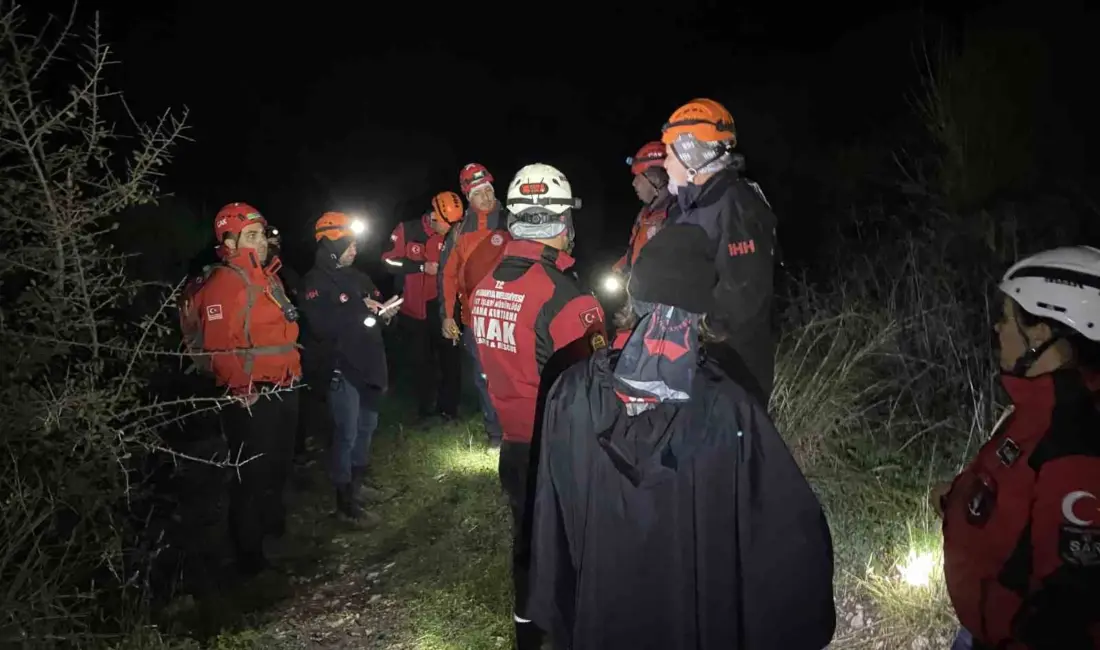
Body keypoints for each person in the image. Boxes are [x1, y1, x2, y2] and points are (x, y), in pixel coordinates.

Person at [525, 222, 836, 650]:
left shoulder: (570, 392)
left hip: (601, 619)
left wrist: (557, 612)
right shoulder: (728, 408)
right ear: (705, 310)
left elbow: (550, 522)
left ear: (634, 297)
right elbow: (788, 538)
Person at [934, 246, 1100, 650]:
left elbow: (1067, 619)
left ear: (1040, 333)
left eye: (1007, 317)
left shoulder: (1074, 446)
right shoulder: (1039, 407)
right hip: (982, 628)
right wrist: (957, 499)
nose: (997, 328)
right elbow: (1014, 499)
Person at [471, 163, 607, 649]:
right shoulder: (566, 297)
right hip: (560, 448)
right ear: (561, 223)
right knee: (574, 549)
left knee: (528, 545)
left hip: (513, 444)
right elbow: (596, 384)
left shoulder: (487, 287)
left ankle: (526, 635)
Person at [188, 201, 302, 576]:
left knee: (278, 467)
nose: (262, 242)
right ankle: (250, 561)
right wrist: (241, 388)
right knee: (251, 477)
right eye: (251, 236)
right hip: (252, 396)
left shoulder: (268, 276)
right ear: (230, 241)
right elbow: (219, 344)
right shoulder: (225, 282)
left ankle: (274, 537)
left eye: (262, 234)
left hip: (283, 387)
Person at [660, 98, 779, 406]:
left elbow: (742, 295)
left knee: (731, 450)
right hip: (691, 363)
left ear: (690, 154)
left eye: (668, 153)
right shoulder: (686, 208)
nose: (664, 164)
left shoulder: (736, 206)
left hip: (731, 370)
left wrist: (697, 330)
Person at [298, 212, 394, 525]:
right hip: (341, 369)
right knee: (347, 433)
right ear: (331, 244)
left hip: (369, 365)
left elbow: (374, 301)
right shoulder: (314, 282)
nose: (354, 250)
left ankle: (357, 485)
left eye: (355, 244)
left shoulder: (357, 276)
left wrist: (385, 311)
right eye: (349, 244)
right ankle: (344, 504)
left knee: (366, 428)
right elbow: (322, 325)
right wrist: (360, 309)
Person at [440, 162, 507, 446]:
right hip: (474, 320)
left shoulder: (511, 221)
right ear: (468, 196)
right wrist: (446, 316)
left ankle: (521, 433)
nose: (487, 197)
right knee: (484, 378)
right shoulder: (458, 233)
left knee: (514, 376)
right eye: (479, 193)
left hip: (510, 315)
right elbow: (447, 275)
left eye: (489, 190)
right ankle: (496, 433)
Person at [381, 192, 463, 421]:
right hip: (413, 310)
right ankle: (424, 411)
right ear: (434, 216)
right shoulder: (406, 230)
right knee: (421, 362)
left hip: (445, 308)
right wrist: (419, 267)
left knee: (451, 360)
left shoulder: (455, 234)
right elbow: (387, 261)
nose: (448, 230)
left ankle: (449, 411)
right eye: (447, 224)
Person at [612, 141, 676, 277]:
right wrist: (622, 266)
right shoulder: (645, 215)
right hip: (639, 291)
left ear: (656, 179)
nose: (634, 183)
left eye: (638, 177)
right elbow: (635, 250)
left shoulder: (676, 214)